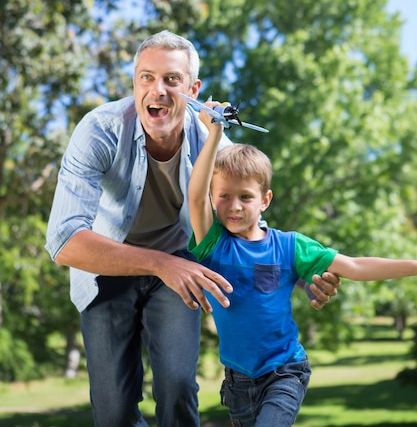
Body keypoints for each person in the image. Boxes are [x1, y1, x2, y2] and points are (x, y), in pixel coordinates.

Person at [46, 30, 339, 427]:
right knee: (113, 411)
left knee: (178, 389)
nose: (157, 90)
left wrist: (301, 273)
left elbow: (244, 219)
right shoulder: (99, 131)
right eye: (146, 77)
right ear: (134, 82)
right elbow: (64, 240)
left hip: (181, 269)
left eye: (172, 79)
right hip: (107, 267)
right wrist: (159, 263)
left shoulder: (212, 141)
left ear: (193, 88)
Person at [188, 104, 417, 427]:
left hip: (284, 371)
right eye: (224, 196)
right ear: (213, 198)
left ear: (265, 200)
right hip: (238, 381)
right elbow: (195, 197)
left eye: (246, 197)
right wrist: (215, 133)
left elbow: (354, 266)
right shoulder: (214, 244)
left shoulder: (290, 246)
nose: (234, 206)